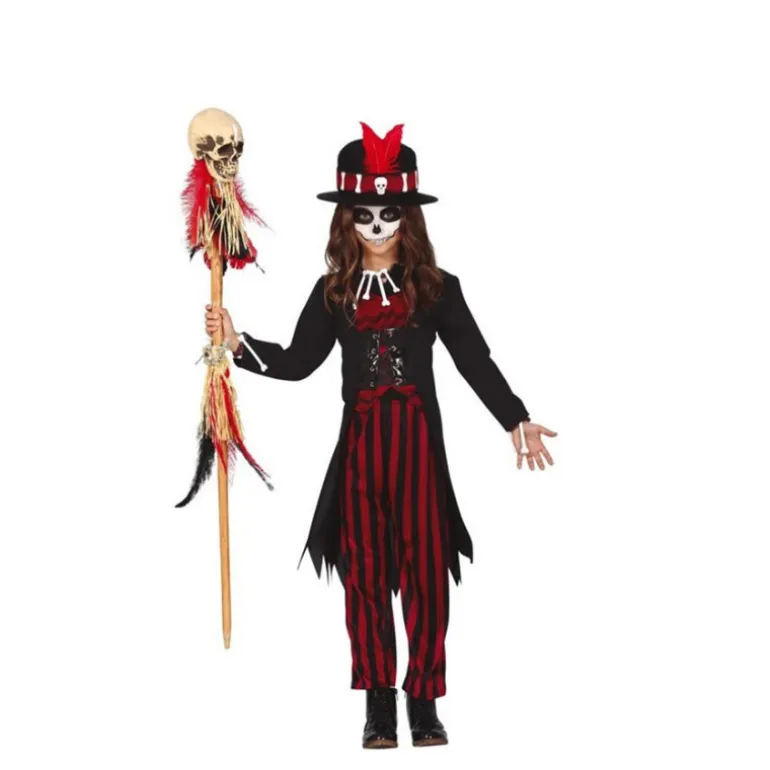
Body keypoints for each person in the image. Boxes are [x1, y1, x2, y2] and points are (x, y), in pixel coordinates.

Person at [205, 122, 557, 749]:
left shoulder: (437, 289)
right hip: (361, 450)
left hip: (418, 448)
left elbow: (475, 361)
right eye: (363, 215)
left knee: (425, 573)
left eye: (388, 213)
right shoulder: (333, 293)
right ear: (346, 220)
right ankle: (378, 706)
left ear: (407, 217)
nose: (375, 226)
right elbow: (297, 362)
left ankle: (424, 701)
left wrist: (515, 417)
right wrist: (237, 343)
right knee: (364, 574)